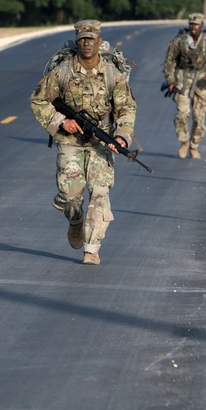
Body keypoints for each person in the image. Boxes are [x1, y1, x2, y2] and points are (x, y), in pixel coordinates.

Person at [29, 20, 137, 266]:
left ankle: (92, 248)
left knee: (100, 193)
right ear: (77, 42)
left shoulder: (112, 73)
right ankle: (75, 220)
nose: (87, 43)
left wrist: (121, 136)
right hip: (70, 141)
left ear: (100, 42)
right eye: (82, 39)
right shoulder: (63, 71)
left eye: (91, 39)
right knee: (70, 196)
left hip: (100, 140)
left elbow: (126, 108)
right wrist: (60, 121)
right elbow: (38, 100)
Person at [163, 13, 206, 159]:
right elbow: (170, 61)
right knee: (182, 114)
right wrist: (171, 80)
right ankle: (184, 142)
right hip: (182, 80)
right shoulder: (180, 41)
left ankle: (194, 145)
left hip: (201, 81)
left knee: (199, 118)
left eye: (196, 24)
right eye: (191, 24)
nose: (193, 27)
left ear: (202, 25)